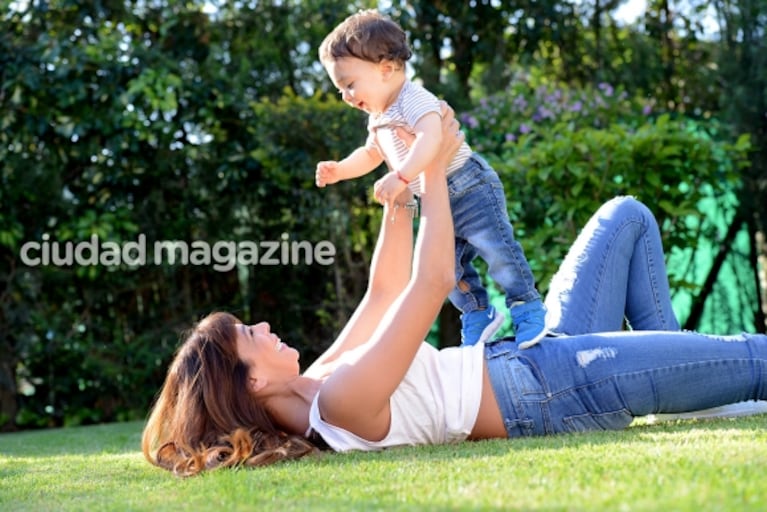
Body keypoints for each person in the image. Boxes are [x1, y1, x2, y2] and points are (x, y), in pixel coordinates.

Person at [142, 106, 767, 477]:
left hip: (533, 355)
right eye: (252, 336)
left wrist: (397, 188)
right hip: (555, 389)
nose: (266, 329)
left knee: (624, 216)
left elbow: (384, 291)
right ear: (251, 381)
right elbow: (433, 279)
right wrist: (432, 165)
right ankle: (696, 377)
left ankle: (691, 385)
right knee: (751, 358)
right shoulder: (337, 406)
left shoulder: (324, 377)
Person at [314, 9, 545, 347]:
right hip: (436, 203)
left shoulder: (413, 98)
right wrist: (340, 169)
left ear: (386, 69)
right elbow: (370, 154)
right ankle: (478, 314)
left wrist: (403, 177)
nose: (347, 97)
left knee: (499, 252)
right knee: (447, 269)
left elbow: (430, 139)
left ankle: (526, 307)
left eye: (349, 84)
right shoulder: (377, 119)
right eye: (341, 91)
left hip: (469, 187)